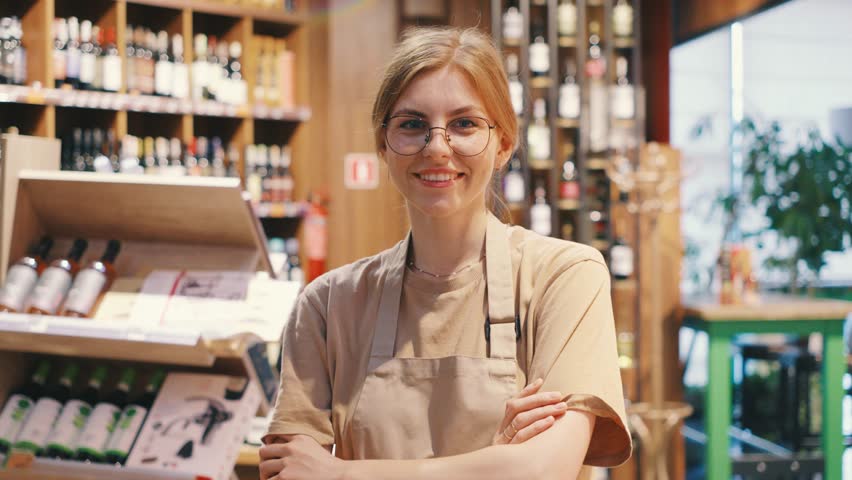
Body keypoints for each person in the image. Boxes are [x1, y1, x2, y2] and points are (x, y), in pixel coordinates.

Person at [260, 26, 631, 480]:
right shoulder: (325, 305)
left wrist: (341, 473)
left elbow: (542, 469)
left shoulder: (565, 275)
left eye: (465, 124)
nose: (437, 147)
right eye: (413, 124)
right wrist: (494, 463)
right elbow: (289, 473)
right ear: (383, 145)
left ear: (504, 144)